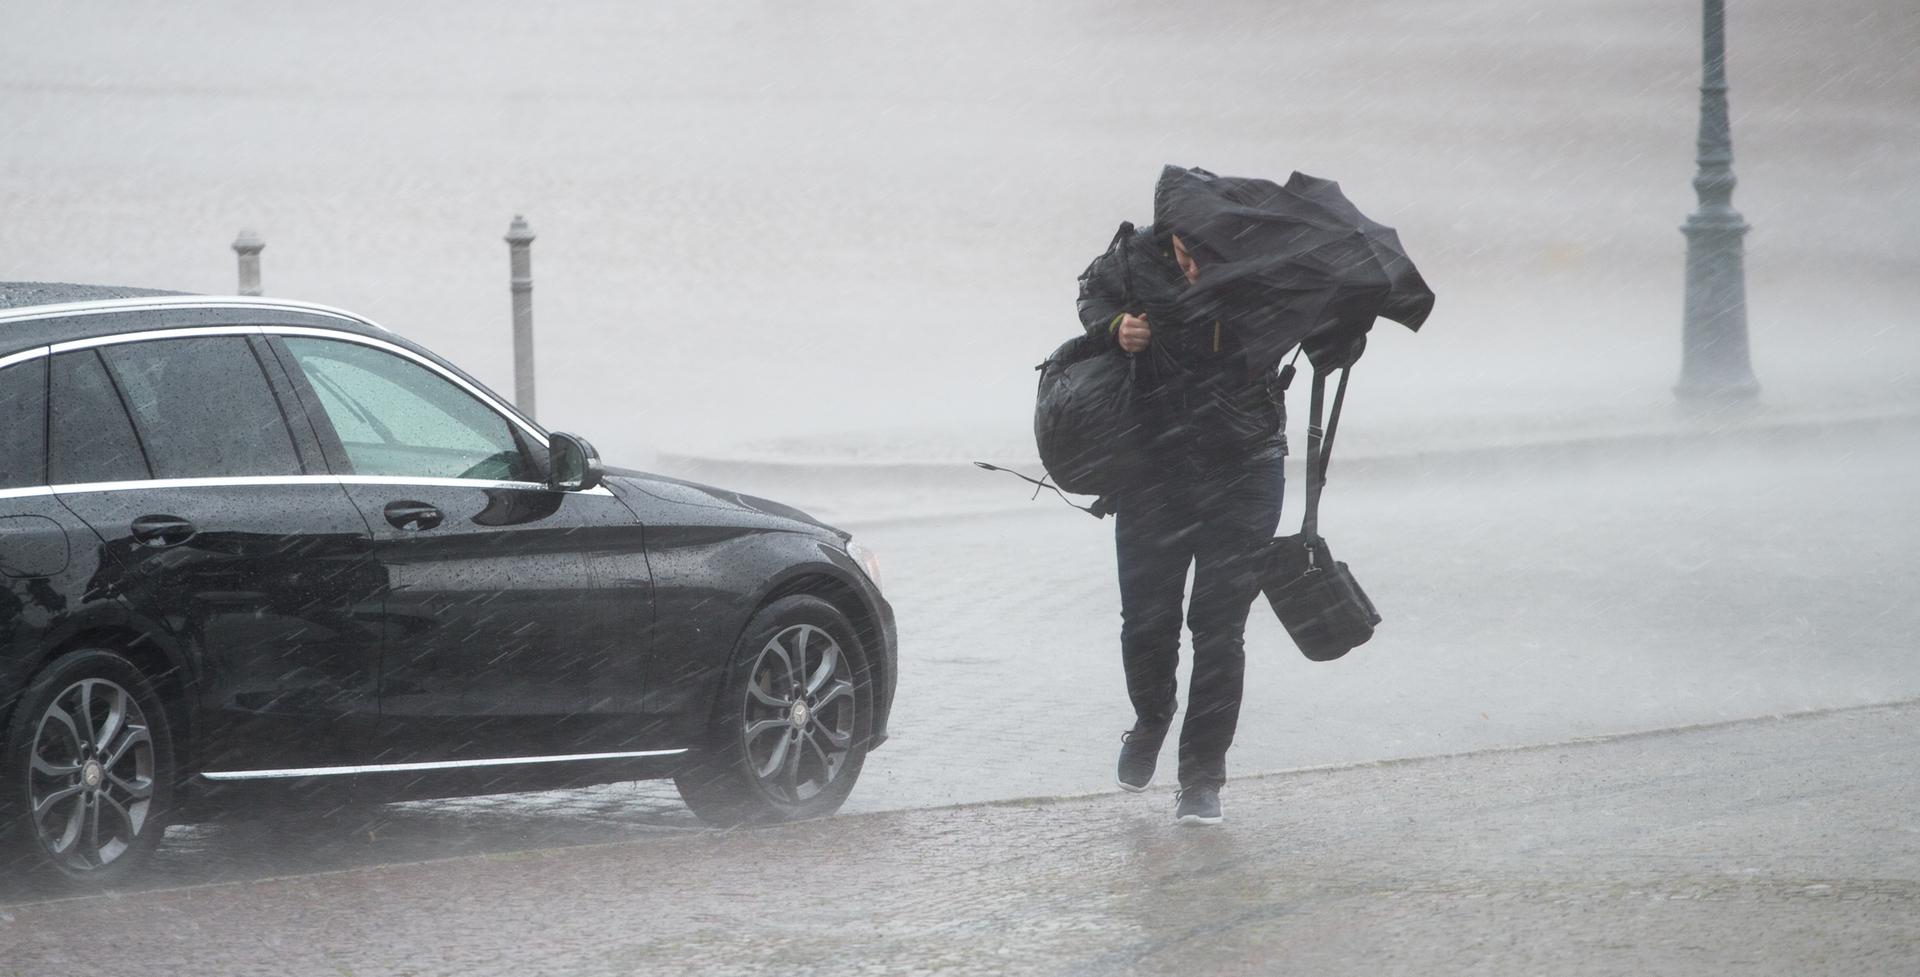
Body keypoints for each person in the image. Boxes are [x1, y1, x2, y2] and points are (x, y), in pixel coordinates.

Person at [1074, 221, 1286, 826]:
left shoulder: (1264, 270)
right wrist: (1116, 327)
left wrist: (1339, 335)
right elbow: (1091, 295)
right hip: (1152, 468)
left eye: (1208, 258)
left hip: (1246, 468)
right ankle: (1151, 717)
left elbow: (1320, 332)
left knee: (1219, 632)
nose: (1195, 270)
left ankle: (1201, 781)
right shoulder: (1135, 257)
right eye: (1188, 256)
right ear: (1170, 239)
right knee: (1146, 621)